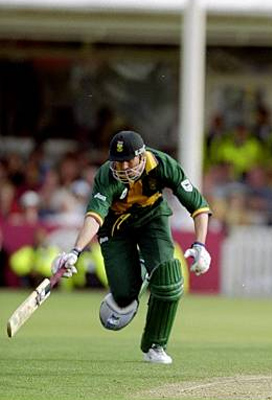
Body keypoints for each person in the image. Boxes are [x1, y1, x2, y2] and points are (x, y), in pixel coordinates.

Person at [50, 130, 212, 364]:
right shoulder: (107, 175)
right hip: (115, 227)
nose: (124, 167)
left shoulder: (162, 164)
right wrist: (75, 251)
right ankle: (143, 267)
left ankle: (155, 346)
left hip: (152, 219)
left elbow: (198, 206)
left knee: (168, 279)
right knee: (124, 298)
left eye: (130, 160)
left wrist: (200, 245)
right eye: (119, 161)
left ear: (142, 155)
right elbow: (95, 216)